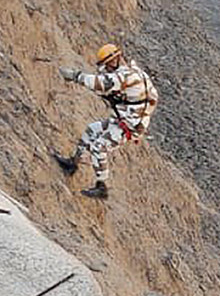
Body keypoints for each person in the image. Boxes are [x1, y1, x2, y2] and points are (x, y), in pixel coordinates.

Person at [52, 42, 158, 199]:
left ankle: (102, 187)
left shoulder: (125, 76)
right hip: (125, 121)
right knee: (92, 129)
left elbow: (101, 84)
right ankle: (73, 163)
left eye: (107, 65)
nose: (106, 69)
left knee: (98, 147)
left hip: (129, 126)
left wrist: (75, 76)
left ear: (114, 61)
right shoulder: (135, 73)